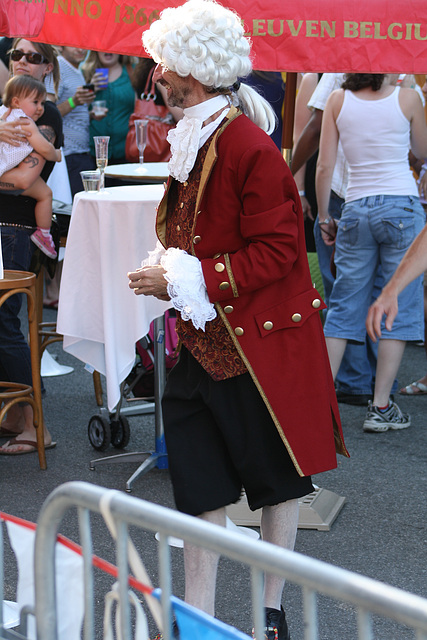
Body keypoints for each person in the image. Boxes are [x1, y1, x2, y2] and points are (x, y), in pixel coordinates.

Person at [127, 2, 348, 638]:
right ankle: (198, 621)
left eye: (164, 64)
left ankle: (270, 613)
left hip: (258, 350)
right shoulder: (192, 139)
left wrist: (188, 277)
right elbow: (191, 233)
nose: (157, 76)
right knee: (199, 492)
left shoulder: (249, 145)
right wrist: (170, 269)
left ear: (190, 73)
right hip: (198, 347)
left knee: (276, 484)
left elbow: (282, 251)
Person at [316, 73, 427, 433]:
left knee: (345, 303)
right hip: (402, 207)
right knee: (400, 303)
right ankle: (380, 406)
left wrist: (322, 215)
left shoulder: (337, 100)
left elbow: (324, 166)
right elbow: (423, 151)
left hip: (356, 207)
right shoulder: (409, 98)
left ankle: (317, 404)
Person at [0, 39, 62, 455]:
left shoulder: (46, 116)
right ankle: (12, 412)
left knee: (6, 324)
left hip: (13, 228)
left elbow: (24, 181)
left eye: (33, 56)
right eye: (16, 55)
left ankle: (33, 424)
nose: (22, 61)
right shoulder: (5, 114)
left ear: (49, 66)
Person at [0, 75, 60, 258]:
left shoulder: (3, 113)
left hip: (7, 170)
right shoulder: (25, 122)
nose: (41, 108)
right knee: (46, 194)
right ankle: (44, 233)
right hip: (8, 169)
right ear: (17, 101)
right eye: (36, 102)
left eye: (42, 102)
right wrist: (56, 154)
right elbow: (43, 147)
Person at [81, 51, 136, 169]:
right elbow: (78, 111)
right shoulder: (86, 73)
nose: (107, 50)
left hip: (126, 152)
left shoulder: (132, 72)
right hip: (94, 153)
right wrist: (91, 88)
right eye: (103, 47)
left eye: (112, 47)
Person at [56, 47, 97, 197]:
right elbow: (49, 113)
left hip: (80, 153)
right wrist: (74, 101)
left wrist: (90, 115)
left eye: (83, 44)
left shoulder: (75, 69)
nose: (80, 48)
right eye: (73, 44)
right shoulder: (59, 66)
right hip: (69, 155)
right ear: (61, 46)